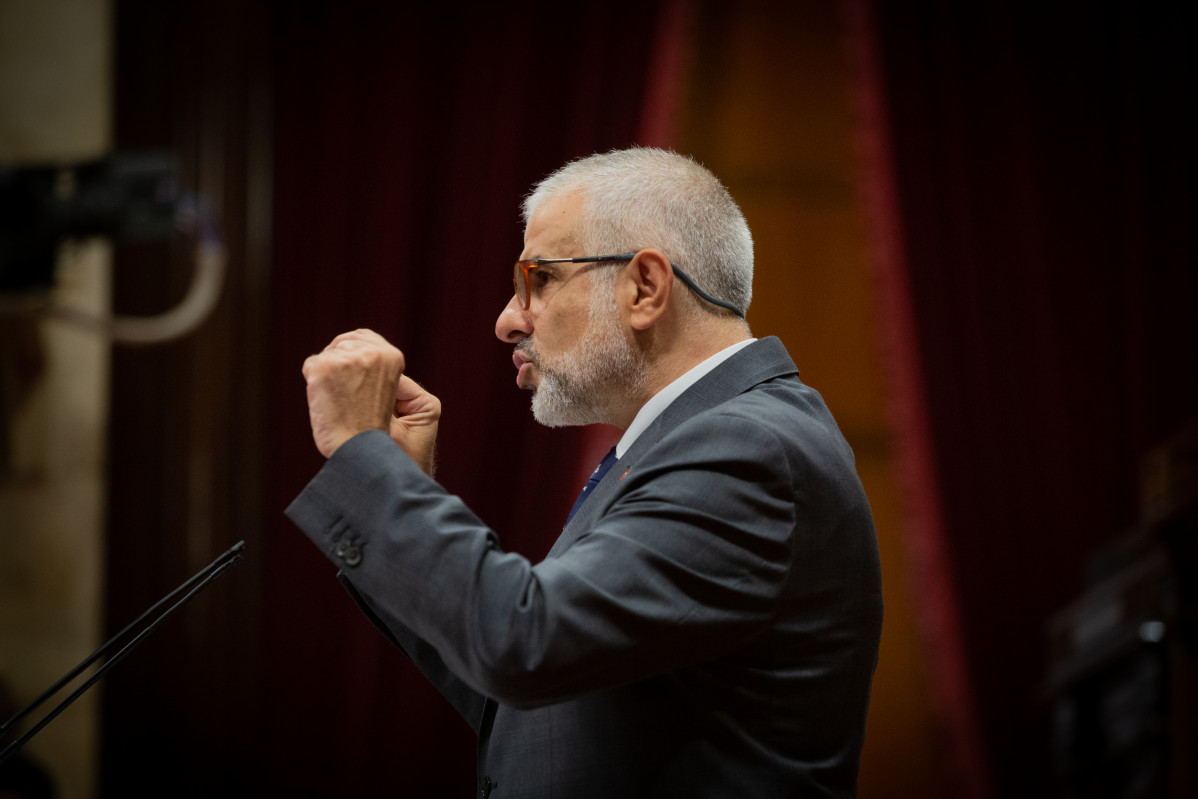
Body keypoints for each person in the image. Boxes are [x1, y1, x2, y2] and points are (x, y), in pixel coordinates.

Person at [287, 147, 883, 797]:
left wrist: (365, 464)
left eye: (537, 279)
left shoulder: (749, 448)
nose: (507, 319)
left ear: (645, 286)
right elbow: (540, 700)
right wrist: (401, 491)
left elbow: (523, 642)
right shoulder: (691, 439)